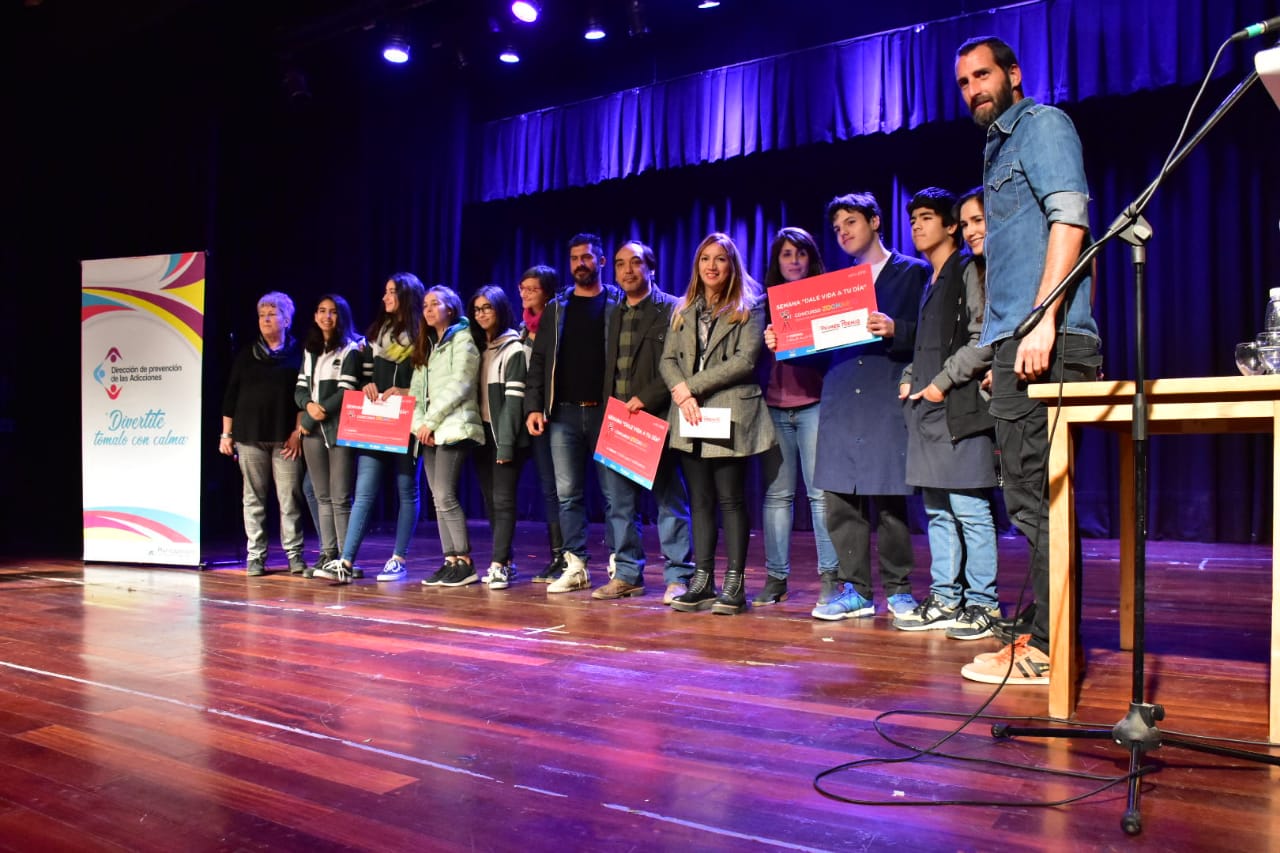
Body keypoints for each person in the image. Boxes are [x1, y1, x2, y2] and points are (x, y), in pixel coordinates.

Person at [954, 36, 1102, 684]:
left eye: (982, 75)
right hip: (1023, 339)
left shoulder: (1042, 125)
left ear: (1013, 74)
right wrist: (1001, 350)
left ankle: (1048, 646)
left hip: (1054, 335)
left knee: (1037, 499)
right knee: (1025, 496)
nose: (973, 90)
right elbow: (1016, 257)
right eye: (963, 83)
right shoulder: (997, 149)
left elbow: (1069, 220)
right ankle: (1043, 632)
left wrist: (1040, 322)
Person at [805, 193, 929, 621]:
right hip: (842, 391)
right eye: (837, 228)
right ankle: (856, 590)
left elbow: (932, 335)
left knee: (890, 495)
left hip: (886, 389)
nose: (843, 232)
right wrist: (783, 342)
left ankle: (899, 591)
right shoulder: (834, 285)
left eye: (851, 222)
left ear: (875, 221)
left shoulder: (913, 273)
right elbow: (814, 345)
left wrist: (898, 329)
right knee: (841, 497)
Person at [894, 188, 1000, 640]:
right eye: (913, 218)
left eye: (926, 217)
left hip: (958, 404)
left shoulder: (968, 269)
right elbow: (929, 340)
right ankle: (945, 597)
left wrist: (940, 382)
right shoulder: (930, 279)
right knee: (937, 509)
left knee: (970, 509)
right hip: (930, 407)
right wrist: (911, 373)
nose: (917, 226)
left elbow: (984, 337)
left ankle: (984, 604)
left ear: (951, 225)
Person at [661, 232, 775, 615]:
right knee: (700, 500)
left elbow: (744, 362)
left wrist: (687, 389)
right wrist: (681, 393)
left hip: (729, 413)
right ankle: (702, 579)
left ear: (732, 265)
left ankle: (735, 582)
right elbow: (667, 360)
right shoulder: (682, 308)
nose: (712, 266)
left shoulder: (750, 306)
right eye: (705, 258)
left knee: (730, 498)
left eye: (720, 259)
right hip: (690, 416)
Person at [591, 240, 694, 604]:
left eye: (635, 263)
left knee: (669, 500)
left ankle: (679, 575)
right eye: (620, 265)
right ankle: (628, 575)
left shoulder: (671, 308)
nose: (627, 271)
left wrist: (648, 399)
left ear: (651, 268)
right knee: (619, 504)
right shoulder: (614, 311)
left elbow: (678, 363)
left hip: (657, 418)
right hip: (618, 421)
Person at [524, 234, 623, 594]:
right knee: (568, 495)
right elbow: (538, 362)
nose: (580, 263)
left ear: (601, 261)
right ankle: (576, 564)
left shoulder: (617, 303)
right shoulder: (556, 308)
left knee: (616, 494)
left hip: (607, 413)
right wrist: (534, 405)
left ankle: (620, 563)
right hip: (563, 415)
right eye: (575, 258)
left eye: (587, 257)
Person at [316, 273, 424, 584]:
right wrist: (368, 386)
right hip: (376, 419)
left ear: (405, 296)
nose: (384, 297)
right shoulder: (375, 335)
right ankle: (346, 561)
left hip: (408, 418)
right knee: (364, 491)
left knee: (406, 489)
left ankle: (398, 559)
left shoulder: (421, 336)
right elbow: (364, 376)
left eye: (391, 292)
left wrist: (404, 393)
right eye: (385, 291)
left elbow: (427, 381)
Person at [755, 227, 839, 606]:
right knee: (777, 496)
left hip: (815, 403)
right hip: (773, 407)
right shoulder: (761, 306)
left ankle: (830, 578)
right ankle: (776, 579)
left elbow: (835, 352)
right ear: (777, 261)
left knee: (821, 495)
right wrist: (765, 343)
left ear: (811, 258)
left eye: (800, 254)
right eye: (786, 254)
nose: (793, 261)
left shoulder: (827, 299)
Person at [220, 292, 307, 576]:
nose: (266, 319)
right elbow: (231, 396)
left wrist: (297, 431)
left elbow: (303, 395)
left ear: (286, 318)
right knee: (253, 499)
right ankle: (256, 556)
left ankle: (294, 554)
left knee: (289, 498)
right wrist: (226, 434)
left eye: (272, 314)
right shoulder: (246, 354)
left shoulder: (300, 352)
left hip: (286, 439)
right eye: (261, 315)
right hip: (249, 436)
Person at [414, 285, 484, 587]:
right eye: (425, 305)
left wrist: (430, 420)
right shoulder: (430, 345)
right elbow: (418, 391)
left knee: (445, 494)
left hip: (453, 427)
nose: (429, 309)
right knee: (437, 497)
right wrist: (419, 425)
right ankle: (450, 559)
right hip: (429, 430)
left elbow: (461, 383)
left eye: (435, 304)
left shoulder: (463, 339)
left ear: (451, 309)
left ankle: (465, 561)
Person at [295, 294, 364, 575]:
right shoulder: (310, 351)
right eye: (322, 311)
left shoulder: (351, 349)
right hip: (313, 434)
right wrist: (309, 407)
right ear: (314, 316)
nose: (327, 317)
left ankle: (346, 559)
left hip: (340, 431)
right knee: (321, 495)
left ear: (341, 317)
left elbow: (347, 390)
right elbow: (300, 390)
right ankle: (327, 553)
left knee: (339, 497)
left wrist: (319, 410)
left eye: (333, 312)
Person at [470, 285, 528, 590]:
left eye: (487, 308)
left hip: (504, 437)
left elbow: (514, 403)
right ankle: (505, 561)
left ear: (500, 309)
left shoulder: (513, 348)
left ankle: (498, 565)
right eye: (477, 309)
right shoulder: (479, 348)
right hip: (482, 437)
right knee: (492, 503)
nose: (481, 314)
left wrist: (505, 444)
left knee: (504, 502)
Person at [518, 265, 567, 583]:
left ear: (548, 292)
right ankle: (557, 555)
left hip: (560, 413)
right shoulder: (522, 328)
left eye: (532, 289)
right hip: (534, 414)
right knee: (549, 488)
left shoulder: (559, 321)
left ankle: (571, 556)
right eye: (522, 288)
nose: (524, 294)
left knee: (565, 488)